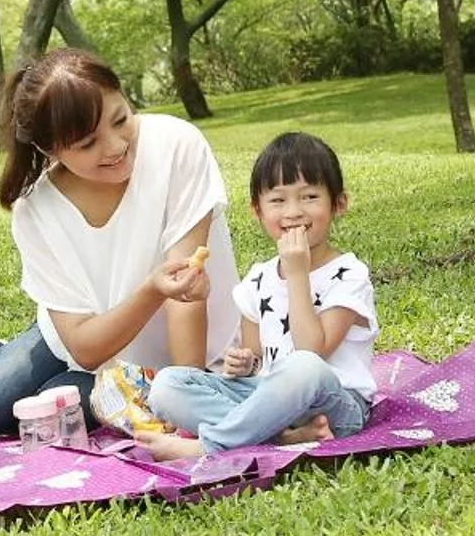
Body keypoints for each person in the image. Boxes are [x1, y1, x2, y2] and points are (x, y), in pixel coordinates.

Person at [0, 48, 239, 435]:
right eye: (88, 144)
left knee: (55, 405)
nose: (116, 146)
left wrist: (186, 399)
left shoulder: (176, 145)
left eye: (121, 120)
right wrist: (152, 289)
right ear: (49, 150)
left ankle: (87, 385)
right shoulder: (35, 210)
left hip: (178, 350)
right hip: (83, 338)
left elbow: (184, 297)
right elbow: (84, 348)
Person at [141, 132, 377, 458]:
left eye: (309, 197)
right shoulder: (259, 278)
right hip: (272, 400)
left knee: (303, 366)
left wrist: (297, 275)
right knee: (168, 385)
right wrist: (244, 364)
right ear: (258, 211)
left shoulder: (349, 274)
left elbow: (313, 351)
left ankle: (210, 445)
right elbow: (258, 359)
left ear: (339, 203)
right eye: (278, 201)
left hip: (334, 404)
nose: (293, 212)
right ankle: (280, 439)